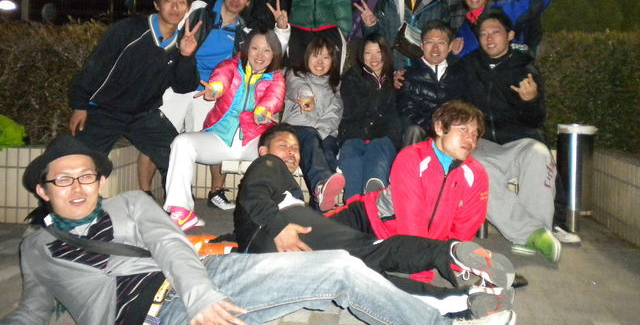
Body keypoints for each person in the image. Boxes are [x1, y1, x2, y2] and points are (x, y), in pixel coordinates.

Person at [5, 133, 517, 325]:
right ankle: (453, 293)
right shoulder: (38, 248)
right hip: (156, 315)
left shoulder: (132, 204)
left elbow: (171, 245)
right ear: (43, 191)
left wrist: (203, 293)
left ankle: (449, 308)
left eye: (87, 176)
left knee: (347, 265)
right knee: (362, 258)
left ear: (101, 181)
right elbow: (33, 308)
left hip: (211, 275)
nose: (78, 187)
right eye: (63, 180)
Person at [233, 124, 515, 317]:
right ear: (263, 151)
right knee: (377, 253)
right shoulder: (267, 164)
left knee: (368, 272)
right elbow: (254, 194)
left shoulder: (284, 186)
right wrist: (279, 228)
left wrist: (233, 243)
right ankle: (451, 258)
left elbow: (249, 221)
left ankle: (463, 300)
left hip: (293, 241)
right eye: (284, 145)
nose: (292, 153)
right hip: (289, 234)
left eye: (296, 148)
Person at [145, 0, 290, 208]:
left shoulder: (249, 41)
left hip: (247, 135)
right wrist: (215, 88)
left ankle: (278, 205)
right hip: (188, 88)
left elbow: (273, 88)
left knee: (279, 146)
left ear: (248, 1)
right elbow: (222, 75)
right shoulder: (200, 12)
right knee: (168, 139)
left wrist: (263, 111)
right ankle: (172, 205)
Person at [328, 101, 489, 285]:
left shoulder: (476, 174)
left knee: (353, 265)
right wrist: (422, 272)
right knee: (310, 234)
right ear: (439, 127)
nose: (470, 139)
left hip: (395, 247)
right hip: (369, 220)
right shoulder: (412, 158)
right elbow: (411, 221)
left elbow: (465, 226)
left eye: (475, 134)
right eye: (463, 130)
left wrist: (452, 259)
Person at [68, 0, 201, 186]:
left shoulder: (182, 42)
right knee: (80, 164)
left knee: (177, 156)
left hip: (144, 114)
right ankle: (62, 205)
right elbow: (95, 66)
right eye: (168, 1)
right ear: (157, 4)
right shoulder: (129, 29)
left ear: (187, 9)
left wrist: (186, 56)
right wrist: (80, 105)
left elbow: (183, 86)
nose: (175, 7)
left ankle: (179, 204)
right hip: (105, 110)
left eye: (181, 2)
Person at [461, 10, 567, 261]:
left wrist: (530, 101)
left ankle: (538, 229)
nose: (489, 38)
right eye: (483, 34)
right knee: (473, 167)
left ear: (510, 35)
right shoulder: (468, 66)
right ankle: (530, 234)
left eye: (495, 32)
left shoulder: (524, 68)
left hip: (518, 140)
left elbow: (537, 119)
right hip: (483, 142)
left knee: (539, 154)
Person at [164, 28, 286, 228]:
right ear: (246, 49)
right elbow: (221, 79)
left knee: (277, 151)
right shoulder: (230, 65)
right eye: (255, 48)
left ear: (274, 54)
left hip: (253, 141)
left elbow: (274, 98)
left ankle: (280, 209)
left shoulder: (276, 78)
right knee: (182, 142)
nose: (260, 55)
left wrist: (262, 111)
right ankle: (181, 211)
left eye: (267, 50)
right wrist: (215, 89)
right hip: (220, 138)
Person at [281, 37, 345, 211]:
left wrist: (320, 133)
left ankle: (320, 205)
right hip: (296, 130)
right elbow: (297, 87)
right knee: (310, 135)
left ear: (332, 61)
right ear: (307, 57)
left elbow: (334, 113)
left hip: (323, 134)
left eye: (326, 57)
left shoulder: (336, 85)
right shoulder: (295, 74)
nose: (320, 62)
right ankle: (321, 184)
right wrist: (306, 97)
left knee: (329, 150)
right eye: (316, 55)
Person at [338, 34, 401, 199]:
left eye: (379, 52)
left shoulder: (396, 80)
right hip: (354, 136)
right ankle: (353, 206)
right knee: (353, 162)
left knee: (378, 150)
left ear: (386, 53)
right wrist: (377, 87)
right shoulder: (352, 78)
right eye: (368, 53)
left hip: (383, 139)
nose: (374, 58)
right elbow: (354, 110)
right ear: (361, 55)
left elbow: (395, 116)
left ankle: (375, 192)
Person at [397, 21, 465, 146]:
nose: (435, 49)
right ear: (422, 46)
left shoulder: (460, 73)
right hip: (422, 131)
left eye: (441, 43)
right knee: (413, 130)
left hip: (451, 130)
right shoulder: (408, 75)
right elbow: (406, 110)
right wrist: (434, 128)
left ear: (450, 46)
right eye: (429, 42)